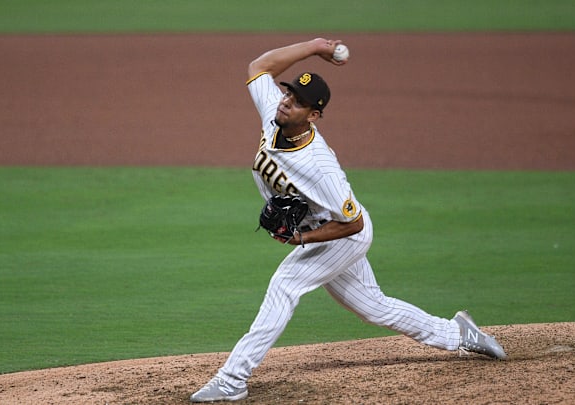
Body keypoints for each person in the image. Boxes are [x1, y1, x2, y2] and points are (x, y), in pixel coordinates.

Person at [190, 38, 507, 403]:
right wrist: (312, 46)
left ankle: (233, 379)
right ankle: (459, 334)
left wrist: (303, 241)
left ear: (313, 116)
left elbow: (353, 223)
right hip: (325, 231)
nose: (286, 101)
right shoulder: (274, 115)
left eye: (297, 102)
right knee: (373, 306)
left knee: (285, 285)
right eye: (288, 93)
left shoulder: (320, 168)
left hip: (342, 236)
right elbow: (258, 67)